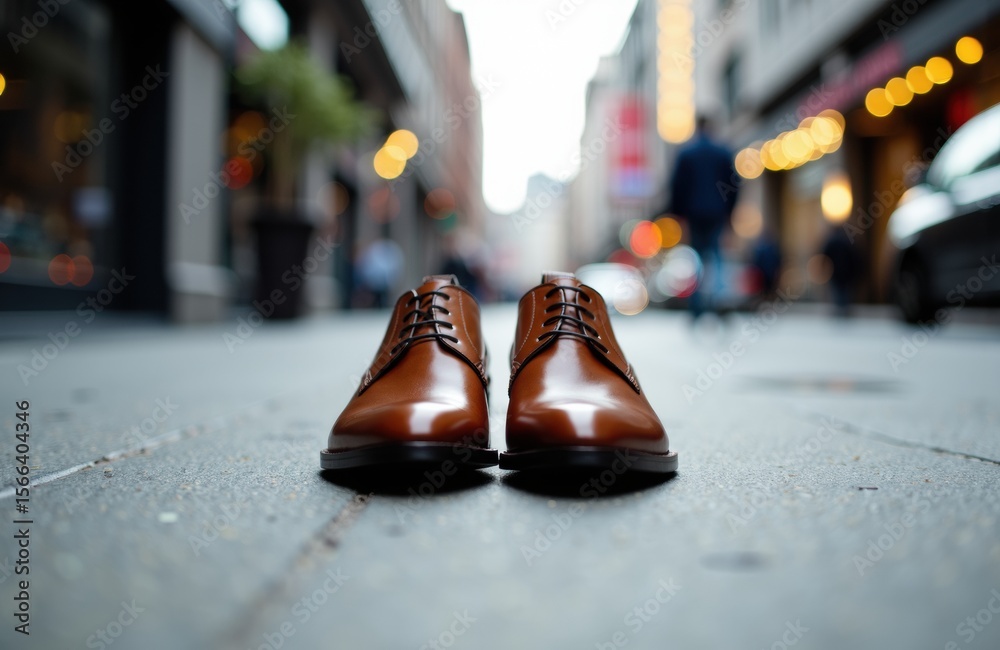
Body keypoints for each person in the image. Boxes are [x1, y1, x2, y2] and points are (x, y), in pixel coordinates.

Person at [667, 115, 739, 318]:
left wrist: (678, 214)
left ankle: (697, 305)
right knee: (717, 255)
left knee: (697, 257)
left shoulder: (686, 153)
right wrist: (730, 212)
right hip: (717, 211)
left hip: (694, 213)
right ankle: (719, 298)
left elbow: (677, 187)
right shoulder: (723, 152)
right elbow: (734, 184)